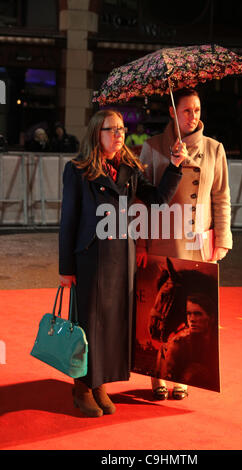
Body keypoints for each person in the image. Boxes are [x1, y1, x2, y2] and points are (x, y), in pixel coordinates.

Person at [58, 109, 185, 417]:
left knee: (112, 324)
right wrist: (66, 268)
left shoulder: (128, 168)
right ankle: (82, 386)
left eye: (121, 130)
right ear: (95, 134)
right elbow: (69, 220)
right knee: (88, 323)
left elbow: (156, 200)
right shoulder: (77, 170)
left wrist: (175, 166)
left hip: (120, 258)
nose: (118, 135)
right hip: (89, 258)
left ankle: (100, 383)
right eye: (110, 129)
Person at [137, 87, 232, 400]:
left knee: (191, 307)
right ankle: (157, 376)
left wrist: (222, 238)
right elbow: (141, 198)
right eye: (187, 110)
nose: (194, 117)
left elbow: (221, 197)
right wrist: (139, 242)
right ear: (172, 112)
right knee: (161, 305)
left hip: (197, 239)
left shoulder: (215, 149)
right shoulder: (150, 147)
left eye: (198, 110)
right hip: (161, 236)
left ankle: (181, 377)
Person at [155, 293, 219, 391]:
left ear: (211, 317)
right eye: (189, 313)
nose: (192, 319)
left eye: (198, 314)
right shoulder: (178, 342)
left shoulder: (215, 339)